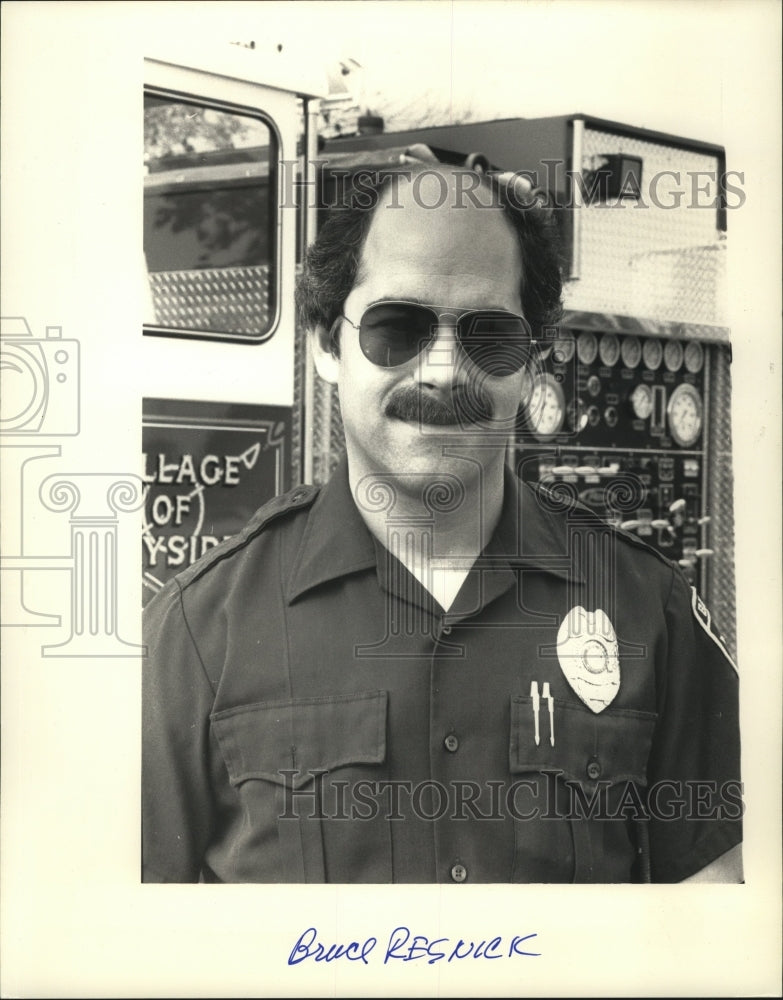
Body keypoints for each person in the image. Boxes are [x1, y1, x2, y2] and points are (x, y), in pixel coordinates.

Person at [142, 164, 742, 884]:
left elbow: (721, 904)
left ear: (531, 360)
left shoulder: (652, 611)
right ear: (325, 345)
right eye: (397, 328)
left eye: (489, 335)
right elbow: (122, 935)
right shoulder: (198, 633)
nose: (443, 369)